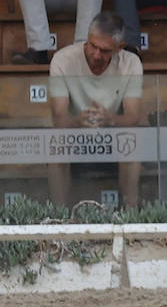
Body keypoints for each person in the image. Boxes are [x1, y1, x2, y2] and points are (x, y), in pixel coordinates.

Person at [47, 12, 143, 209]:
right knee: (57, 145)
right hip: (74, 133)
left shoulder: (131, 63)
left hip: (112, 133)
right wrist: (78, 122)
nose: (96, 54)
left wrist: (109, 119)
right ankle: (59, 218)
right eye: (92, 46)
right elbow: (59, 119)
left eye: (105, 50)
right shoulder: (62, 60)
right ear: (87, 38)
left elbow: (133, 118)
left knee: (131, 143)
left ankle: (131, 217)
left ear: (120, 48)